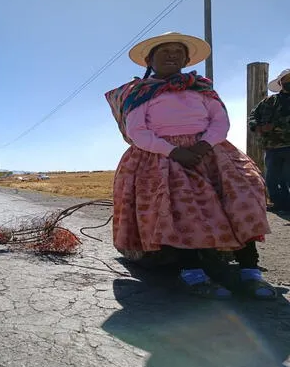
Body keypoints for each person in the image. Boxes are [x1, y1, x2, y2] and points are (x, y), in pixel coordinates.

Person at [104, 32, 276, 300]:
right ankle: (192, 272)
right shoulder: (140, 93)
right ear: (149, 60)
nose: (172, 55)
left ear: (186, 59)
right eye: (165, 51)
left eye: (178, 51)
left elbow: (220, 122)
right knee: (180, 206)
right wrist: (174, 152)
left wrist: (203, 146)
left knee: (244, 193)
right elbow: (137, 131)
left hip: (209, 151)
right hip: (161, 156)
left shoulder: (202, 88)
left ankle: (250, 271)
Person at [248, 68, 290, 212]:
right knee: (273, 179)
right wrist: (257, 127)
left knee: (287, 176)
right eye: (286, 79)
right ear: (280, 82)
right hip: (272, 147)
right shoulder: (268, 101)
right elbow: (253, 115)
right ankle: (279, 205)